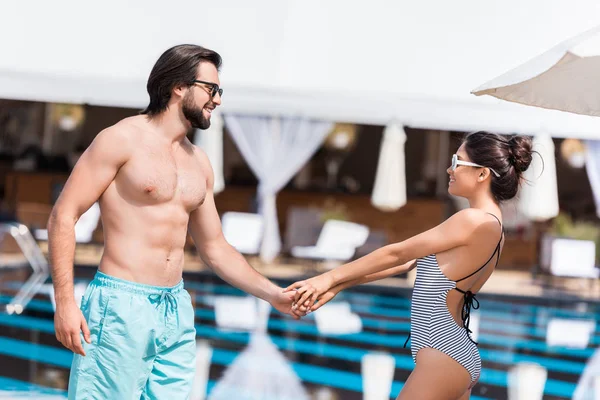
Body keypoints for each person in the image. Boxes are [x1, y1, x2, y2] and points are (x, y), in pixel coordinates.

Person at [48, 44, 301, 399]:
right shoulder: (121, 139)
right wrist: (65, 302)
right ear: (179, 86)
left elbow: (215, 249)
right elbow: (64, 215)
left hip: (176, 309)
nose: (217, 100)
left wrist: (273, 295)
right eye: (212, 90)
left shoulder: (198, 162)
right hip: (121, 306)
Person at [285, 131, 534, 400]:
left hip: (443, 354)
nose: (449, 168)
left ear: (482, 174)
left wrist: (326, 278)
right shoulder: (492, 226)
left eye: (457, 161)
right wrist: (340, 285)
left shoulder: (472, 220)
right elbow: (405, 265)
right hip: (454, 353)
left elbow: (398, 253)